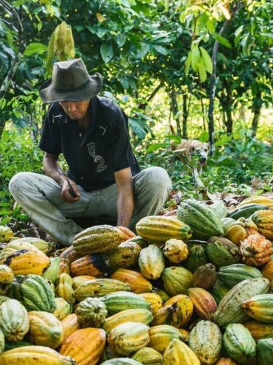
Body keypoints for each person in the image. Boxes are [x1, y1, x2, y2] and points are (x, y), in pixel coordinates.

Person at [9, 58, 171, 245]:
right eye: (64, 101)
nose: (70, 107)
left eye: (76, 100)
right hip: (80, 196)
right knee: (19, 183)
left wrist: (119, 236)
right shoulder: (55, 113)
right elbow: (49, 158)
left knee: (158, 177)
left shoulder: (110, 115)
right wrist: (62, 180)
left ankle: (131, 238)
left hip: (115, 194)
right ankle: (76, 240)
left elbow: (125, 183)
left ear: (88, 94)